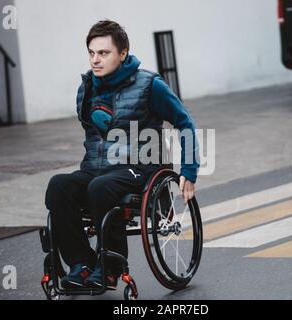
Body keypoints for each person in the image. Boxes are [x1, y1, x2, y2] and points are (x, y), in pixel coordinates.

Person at [44, 20, 199, 290]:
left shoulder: (150, 85)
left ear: (123, 53)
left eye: (103, 53)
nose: (95, 59)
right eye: (91, 53)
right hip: (96, 168)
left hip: (140, 168)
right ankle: (81, 263)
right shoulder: (87, 88)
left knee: (101, 187)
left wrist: (189, 170)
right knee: (58, 185)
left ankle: (110, 268)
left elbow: (185, 123)